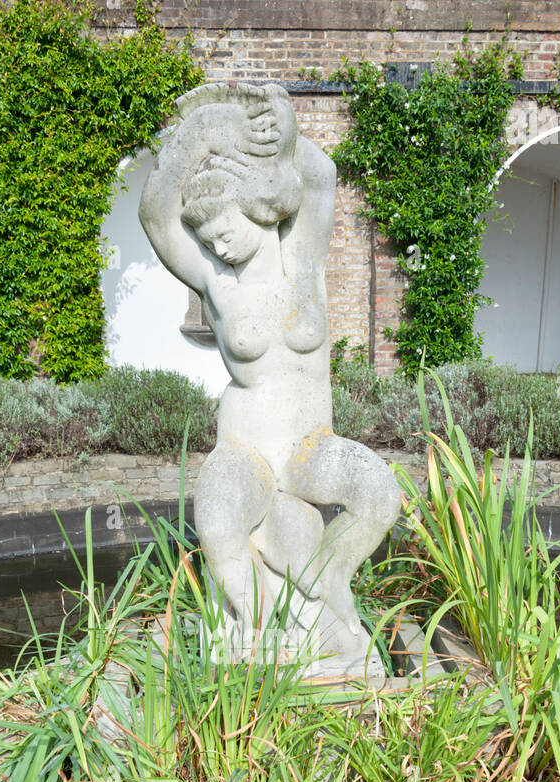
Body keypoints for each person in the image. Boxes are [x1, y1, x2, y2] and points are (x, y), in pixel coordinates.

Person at [139, 81, 401, 655]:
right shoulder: (217, 283)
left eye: (225, 230)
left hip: (311, 445)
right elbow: (157, 218)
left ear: (254, 207)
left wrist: (275, 133)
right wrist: (202, 132)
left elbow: (322, 173)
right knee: (216, 521)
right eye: (207, 239)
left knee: (381, 496)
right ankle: (260, 629)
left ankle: (328, 588)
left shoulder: (302, 255)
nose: (219, 246)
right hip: (248, 450)